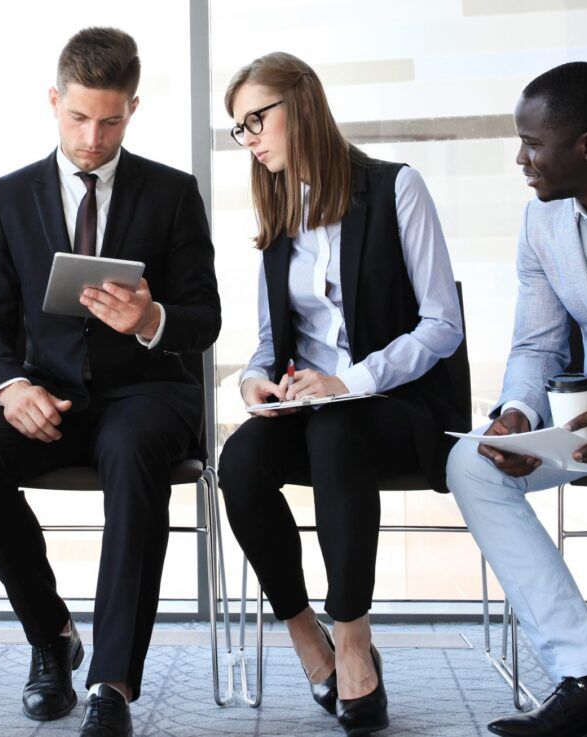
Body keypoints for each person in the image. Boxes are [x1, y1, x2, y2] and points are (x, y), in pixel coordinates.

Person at [0, 27, 220, 737]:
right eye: (77, 118)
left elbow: (204, 317)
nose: (92, 138)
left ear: (131, 107)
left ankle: (111, 684)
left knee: (132, 457)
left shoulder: (171, 193)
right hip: (47, 389)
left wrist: (150, 315)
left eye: (110, 120)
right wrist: (9, 388)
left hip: (147, 392)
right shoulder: (5, 198)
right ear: (53, 101)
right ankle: (52, 634)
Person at [217, 52, 466, 736]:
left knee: (337, 431)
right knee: (239, 461)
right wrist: (253, 381)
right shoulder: (277, 211)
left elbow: (441, 324)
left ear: (300, 104)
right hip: (311, 405)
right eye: (239, 129)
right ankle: (304, 632)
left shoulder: (394, 188)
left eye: (255, 120)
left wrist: (347, 383)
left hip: (395, 406)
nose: (250, 139)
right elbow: (270, 344)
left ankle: (351, 636)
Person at [446, 61, 587, 737]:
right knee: (474, 462)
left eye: (532, 143)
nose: (520, 157)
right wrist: (518, 417)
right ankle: (586, 671)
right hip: (579, 426)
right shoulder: (542, 222)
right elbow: (535, 345)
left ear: (585, 145)